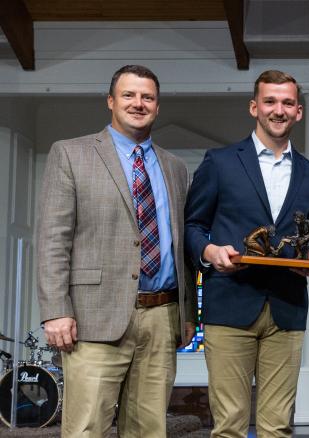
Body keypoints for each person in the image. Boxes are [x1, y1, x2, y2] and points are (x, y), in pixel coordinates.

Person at [36, 64, 197, 437]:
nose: (138, 103)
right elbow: (53, 238)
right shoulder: (71, 154)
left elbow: (179, 240)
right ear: (110, 101)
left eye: (147, 97)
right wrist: (56, 310)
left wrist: (187, 312)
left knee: (149, 429)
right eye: (129, 95)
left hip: (162, 316)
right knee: (86, 428)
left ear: (157, 107)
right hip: (94, 317)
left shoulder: (175, 167)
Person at [184, 70, 309, 438]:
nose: (278, 110)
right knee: (229, 425)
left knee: (277, 427)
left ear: (299, 112)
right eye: (270, 101)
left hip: (287, 309)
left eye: (287, 103)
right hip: (230, 304)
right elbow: (192, 227)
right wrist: (210, 251)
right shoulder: (220, 162)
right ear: (254, 107)